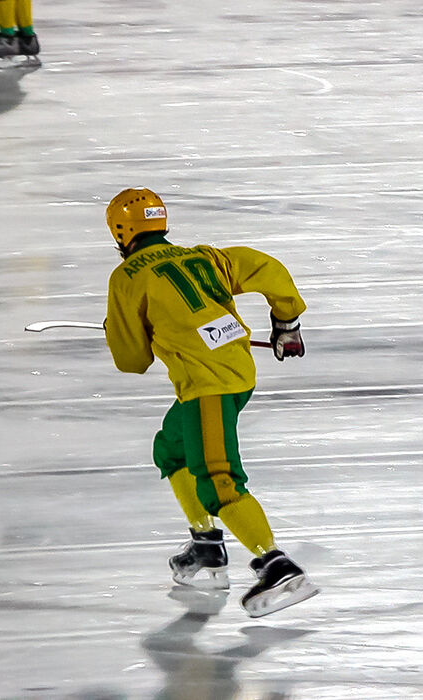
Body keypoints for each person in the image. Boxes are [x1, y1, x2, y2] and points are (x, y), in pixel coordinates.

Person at [102, 188, 317, 618]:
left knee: (218, 480)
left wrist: (120, 329)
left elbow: (132, 361)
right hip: (234, 373)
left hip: (208, 386)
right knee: (172, 448)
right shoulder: (204, 257)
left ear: (121, 232)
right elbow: (268, 268)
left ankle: (277, 567)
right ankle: (206, 546)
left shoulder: (127, 278)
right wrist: (286, 322)